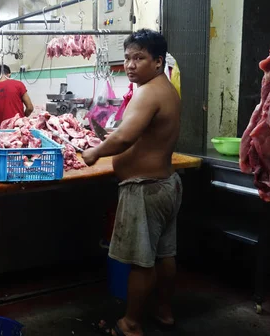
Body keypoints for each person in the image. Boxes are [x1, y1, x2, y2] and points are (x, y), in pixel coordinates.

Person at [82, 29, 182, 336]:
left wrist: (93, 153)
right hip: (165, 185)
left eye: (139, 58)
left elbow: (125, 137)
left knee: (142, 261)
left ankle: (131, 324)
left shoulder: (149, 91)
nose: (130, 64)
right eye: (127, 57)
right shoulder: (165, 89)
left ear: (157, 61)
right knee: (164, 254)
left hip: (144, 190)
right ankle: (163, 312)